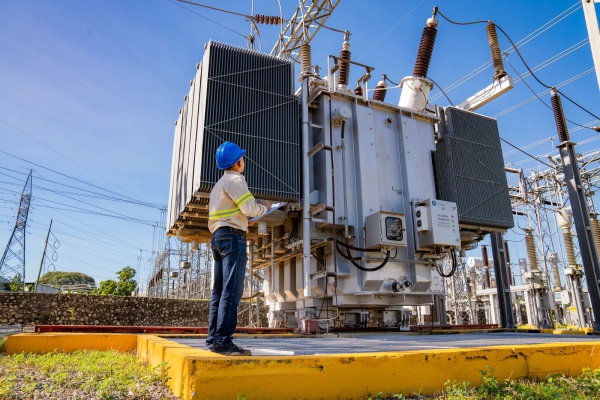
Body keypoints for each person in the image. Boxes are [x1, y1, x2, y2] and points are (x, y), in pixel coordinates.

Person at [206, 141, 271, 356]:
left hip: (218, 236)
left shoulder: (219, 184)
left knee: (219, 292)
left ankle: (213, 338)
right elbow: (250, 207)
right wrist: (264, 208)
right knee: (232, 292)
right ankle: (223, 342)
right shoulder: (236, 180)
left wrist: (244, 219)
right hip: (233, 238)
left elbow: (233, 211)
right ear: (238, 161)